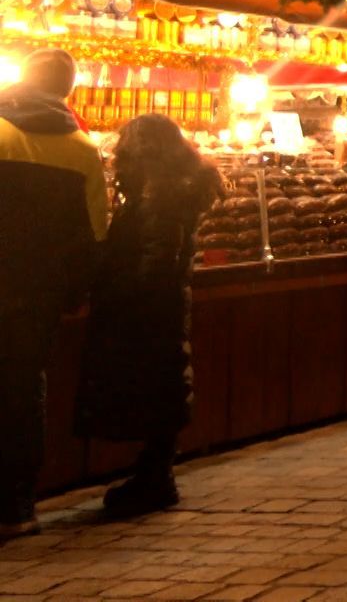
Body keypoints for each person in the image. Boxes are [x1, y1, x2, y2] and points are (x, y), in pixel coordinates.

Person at [72, 114, 222, 517]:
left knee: (154, 386)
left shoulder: (160, 196)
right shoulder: (172, 189)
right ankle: (154, 474)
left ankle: (155, 478)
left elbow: (155, 257)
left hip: (146, 309)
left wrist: (119, 291)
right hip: (163, 306)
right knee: (163, 385)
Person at [0, 49, 108, 538]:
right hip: (36, 293)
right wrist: (76, 293)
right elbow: (94, 234)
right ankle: (16, 506)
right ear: (68, 92)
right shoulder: (84, 150)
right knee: (23, 392)